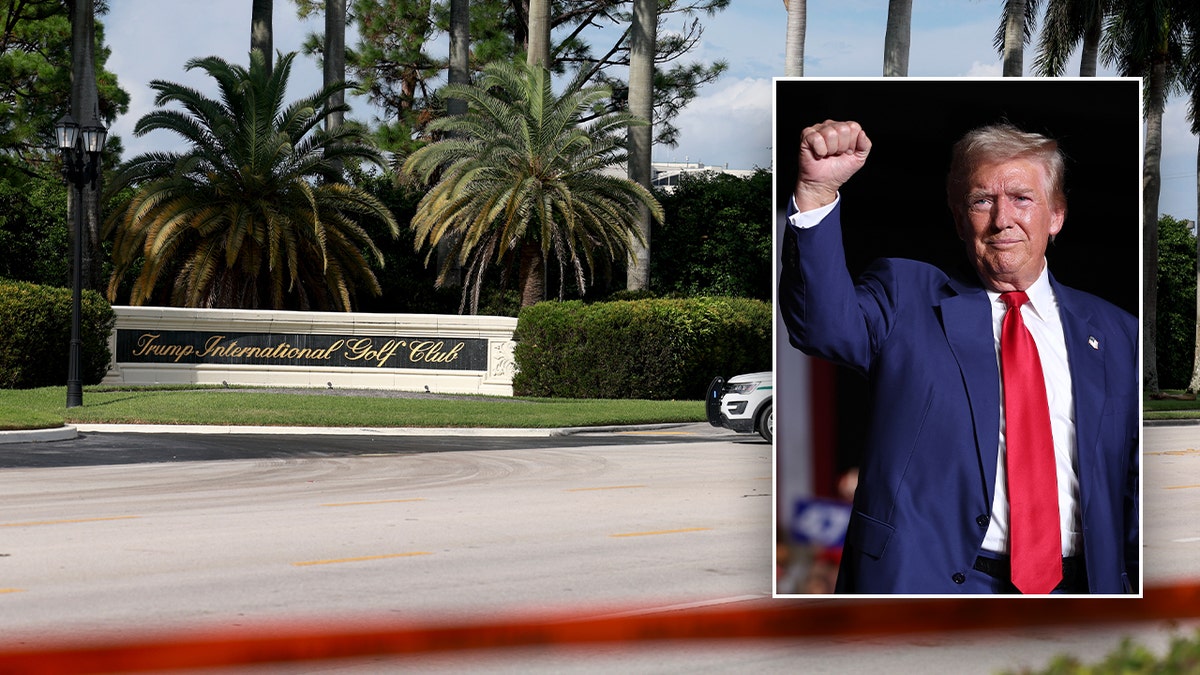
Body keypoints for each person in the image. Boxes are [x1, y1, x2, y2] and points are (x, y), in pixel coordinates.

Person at [778, 120, 1139, 594]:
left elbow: (1132, 481)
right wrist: (817, 188)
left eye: (1022, 198)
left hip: (1082, 589)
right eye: (981, 200)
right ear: (958, 217)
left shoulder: (1117, 333)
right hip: (930, 586)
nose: (1002, 218)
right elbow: (820, 326)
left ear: (1056, 216)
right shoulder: (905, 298)